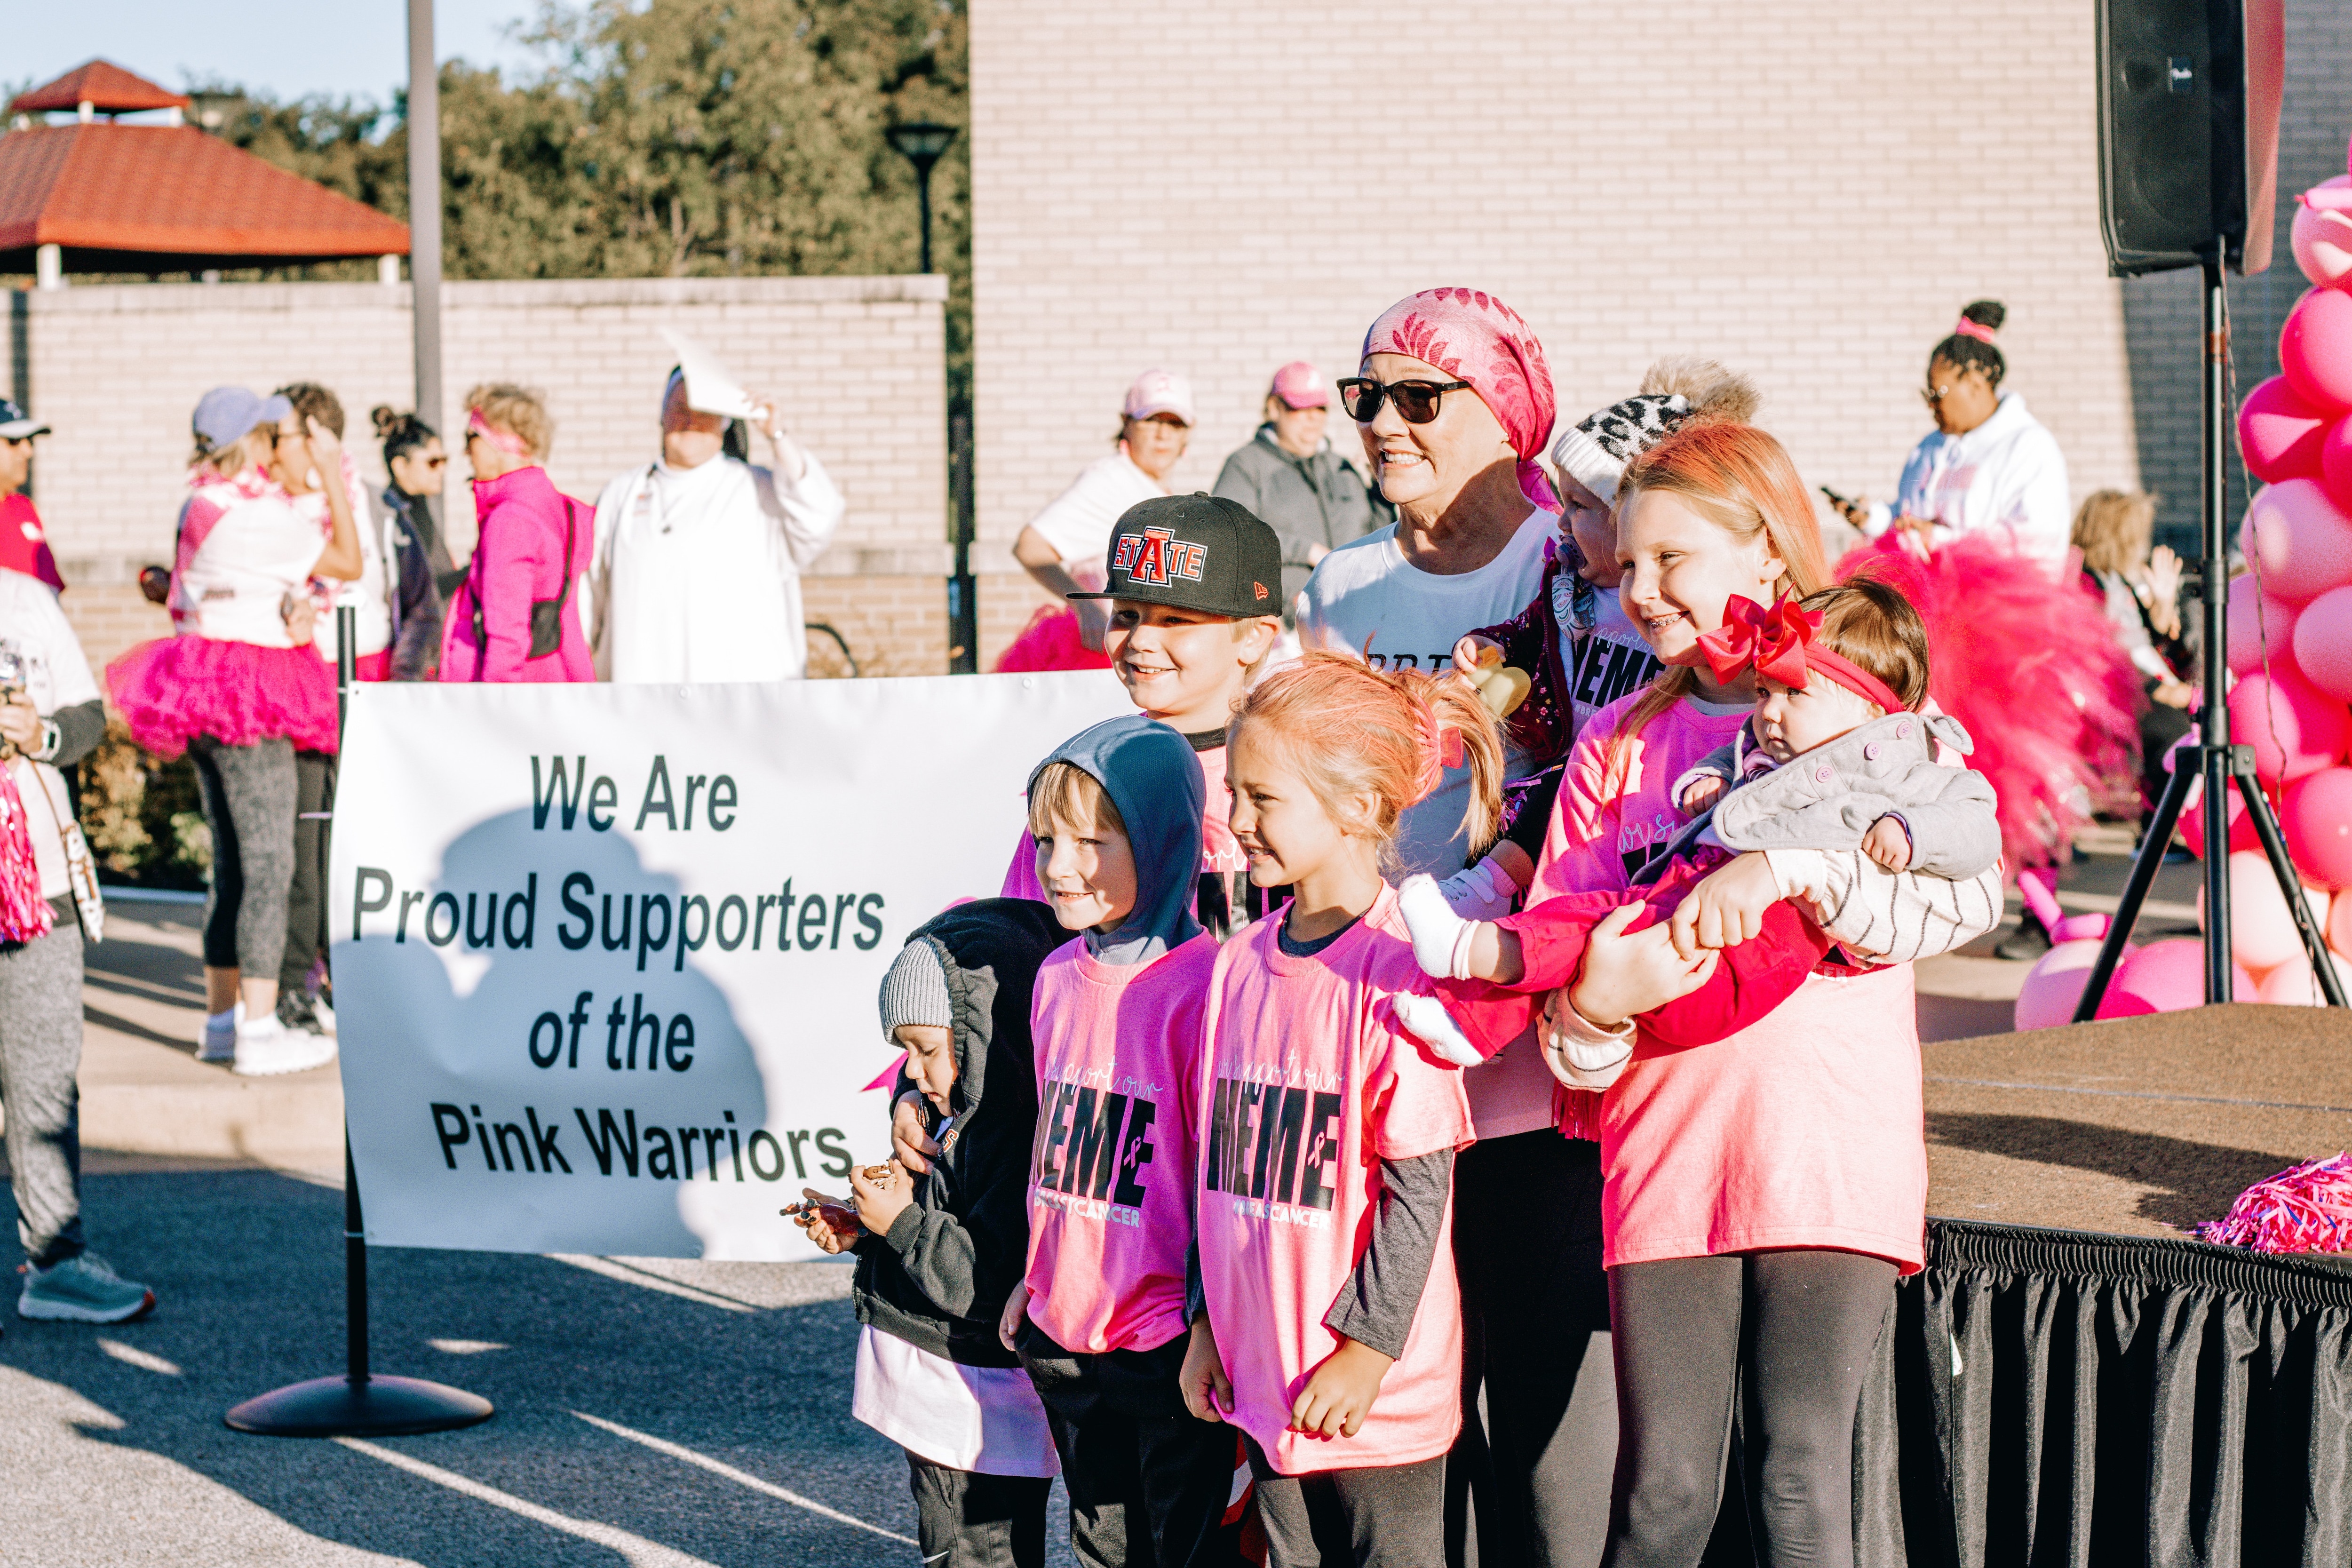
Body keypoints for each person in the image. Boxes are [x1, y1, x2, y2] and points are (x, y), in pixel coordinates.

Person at [1527, 420, 1931, 1568]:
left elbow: (1954, 881)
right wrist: (1593, 1014)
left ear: (1763, 552)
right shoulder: (1614, 741)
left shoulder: (1859, 711)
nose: (1637, 589)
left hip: (1825, 1144)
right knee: (1660, 1497)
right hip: (1665, 1150)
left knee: (1801, 1477)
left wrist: (1788, 868)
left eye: (1671, 560)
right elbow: (1568, 956)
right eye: (1626, 565)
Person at [1293, 287, 1606, 1568]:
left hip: (1528, 1059)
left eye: (1422, 396)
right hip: (1379, 1060)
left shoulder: (1570, 564)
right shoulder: (1341, 580)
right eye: (1366, 397)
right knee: (1406, 1427)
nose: (1382, 423)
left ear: (1508, 412)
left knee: (1542, 1431)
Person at [1395, 579, 2002, 1071]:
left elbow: (1977, 827)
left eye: (1794, 695)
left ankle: (1479, 951)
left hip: (1735, 963)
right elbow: (1731, 757)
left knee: (1592, 929)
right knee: (1589, 922)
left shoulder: (1905, 769)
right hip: (1687, 922)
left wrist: (1911, 832)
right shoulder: (1766, 750)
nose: (1769, 713)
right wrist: (1706, 782)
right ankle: (1470, 1018)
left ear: (1873, 711)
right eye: (1763, 692)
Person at [1179, 654, 1492, 1568]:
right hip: (1260, 1374)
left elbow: (1417, 1187)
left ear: (1355, 807)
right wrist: (1205, 1321)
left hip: (1369, 1394)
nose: (1235, 821)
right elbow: (1215, 1168)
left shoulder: (1400, 964)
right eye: (1234, 793)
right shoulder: (1237, 961)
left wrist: (1365, 1348)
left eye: (1262, 798)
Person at [1003, 716, 1240, 1566]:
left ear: (1161, 837)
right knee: (1101, 1542)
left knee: (1181, 1545)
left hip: (1167, 1343)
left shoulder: (1207, 985)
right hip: (1064, 1329)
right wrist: (1032, 1279)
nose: (1058, 865)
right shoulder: (1055, 976)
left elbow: (1220, 1175)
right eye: (1045, 840)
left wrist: (1210, 1320)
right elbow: (1052, 1141)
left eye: (1093, 841)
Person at [793, 899, 1068, 1568]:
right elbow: (943, 1230)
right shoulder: (961, 1110)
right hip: (955, 1391)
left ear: (985, 1038)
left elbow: (986, 1281)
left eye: (925, 1049)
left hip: (968, 1398)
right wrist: (869, 1231)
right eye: (904, 1051)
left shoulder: (1009, 1137)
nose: (910, 1073)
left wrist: (903, 1224)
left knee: (973, 1552)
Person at [106, 387, 357, 1076]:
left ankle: (221, 1022)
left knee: (233, 863)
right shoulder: (252, 514)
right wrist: (332, 470)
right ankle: (261, 1026)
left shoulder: (202, 503)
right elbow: (347, 561)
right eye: (270, 432)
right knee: (272, 862)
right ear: (250, 441)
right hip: (253, 689)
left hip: (202, 684)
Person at [1447, 359, 1762, 904]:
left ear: (1631, 516)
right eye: (1560, 500)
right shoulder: (1568, 589)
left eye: (1579, 505)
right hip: (1569, 767)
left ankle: (1485, 888)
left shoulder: (1678, 618)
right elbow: (1531, 637)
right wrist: (1493, 645)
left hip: (1640, 782)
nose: (1561, 521)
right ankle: (1485, 890)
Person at [994, 496, 1284, 937]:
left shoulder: (1298, 772)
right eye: (1126, 615)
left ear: (1255, 639)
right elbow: (1025, 942)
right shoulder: (1084, 776)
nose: (1141, 639)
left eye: (1175, 620)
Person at [0, 567, 155, 1322]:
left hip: (37, 877)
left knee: (44, 1082)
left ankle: (55, 1261)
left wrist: (41, 734)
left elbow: (86, 717)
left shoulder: (24, 598)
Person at [584, 368, 844, 683]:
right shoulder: (621, 493)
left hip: (740, 704)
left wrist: (776, 434)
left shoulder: (758, 489)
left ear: (725, 421)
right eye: (679, 408)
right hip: (643, 696)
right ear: (662, 416)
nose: (690, 420)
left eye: (703, 411)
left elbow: (819, 516)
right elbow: (590, 594)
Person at [268, 383, 381, 1044]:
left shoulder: (347, 495)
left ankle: (339, 974)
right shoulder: (272, 501)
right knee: (302, 844)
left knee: (343, 839)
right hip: (296, 678)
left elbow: (353, 571)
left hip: (348, 671)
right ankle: (295, 982)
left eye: (285, 433)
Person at [1836, 301, 2073, 572]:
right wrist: (1874, 518)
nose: (1931, 405)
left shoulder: (2029, 447)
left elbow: (2036, 542)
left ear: (1976, 385)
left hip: (1991, 608)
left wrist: (1941, 540)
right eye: (1927, 395)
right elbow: (1908, 517)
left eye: (1938, 394)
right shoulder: (1929, 448)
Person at [1014, 370, 1193, 651]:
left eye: (1175, 425)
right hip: (1110, 649)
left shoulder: (1156, 488)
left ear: (1188, 434)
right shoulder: (1110, 479)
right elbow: (1031, 547)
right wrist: (1085, 607)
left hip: (1148, 647)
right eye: (1151, 421)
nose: (1163, 435)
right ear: (1127, 424)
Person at [440, 384, 592, 684]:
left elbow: (507, 634)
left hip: (517, 694)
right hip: (557, 676)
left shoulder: (511, 521)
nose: (464, 451)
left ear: (501, 441)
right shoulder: (565, 509)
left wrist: (497, 707)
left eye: (471, 438)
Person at [1210, 362, 1387, 617]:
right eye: (1299, 408)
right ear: (1274, 408)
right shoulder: (1246, 465)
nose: (1313, 418)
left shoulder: (1342, 467)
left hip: (1359, 613)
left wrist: (1379, 490)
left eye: (1320, 408)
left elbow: (1376, 536)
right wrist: (1306, 551)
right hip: (1286, 626)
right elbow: (1227, 537)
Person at [2073, 488, 2195, 823]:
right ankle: (2160, 828)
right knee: (2171, 732)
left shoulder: (2121, 579)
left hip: (2149, 681)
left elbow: (2149, 638)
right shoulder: (2087, 582)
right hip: (2121, 690)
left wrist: (2164, 605)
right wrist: (2158, 690)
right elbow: (2103, 653)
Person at [370, 406, 455, 681]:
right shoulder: (396, 519)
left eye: (444, 461)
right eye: (432, 462)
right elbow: (421, 596)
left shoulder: (418, 510)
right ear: (400, 466)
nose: (441, 470)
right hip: (407, 665)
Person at [0, 399, 64, 593]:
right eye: (14, 441)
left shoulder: (25, 508)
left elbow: (51, 591)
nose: (28, 451)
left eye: (30, 441)